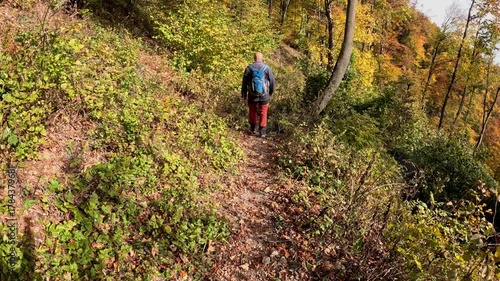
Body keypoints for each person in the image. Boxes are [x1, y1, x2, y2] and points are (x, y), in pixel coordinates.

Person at [241, 52, 276, 138]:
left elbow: (244, 83)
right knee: (263, 111)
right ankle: (262, 132)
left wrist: (244, 94)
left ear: (254, 58)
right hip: (264, 95)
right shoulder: (266, 68)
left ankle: (253, 129)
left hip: (252, 95)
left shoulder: (248, 68)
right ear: (262, 58)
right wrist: (270, 92)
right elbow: (272, 82)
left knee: (252, 110)